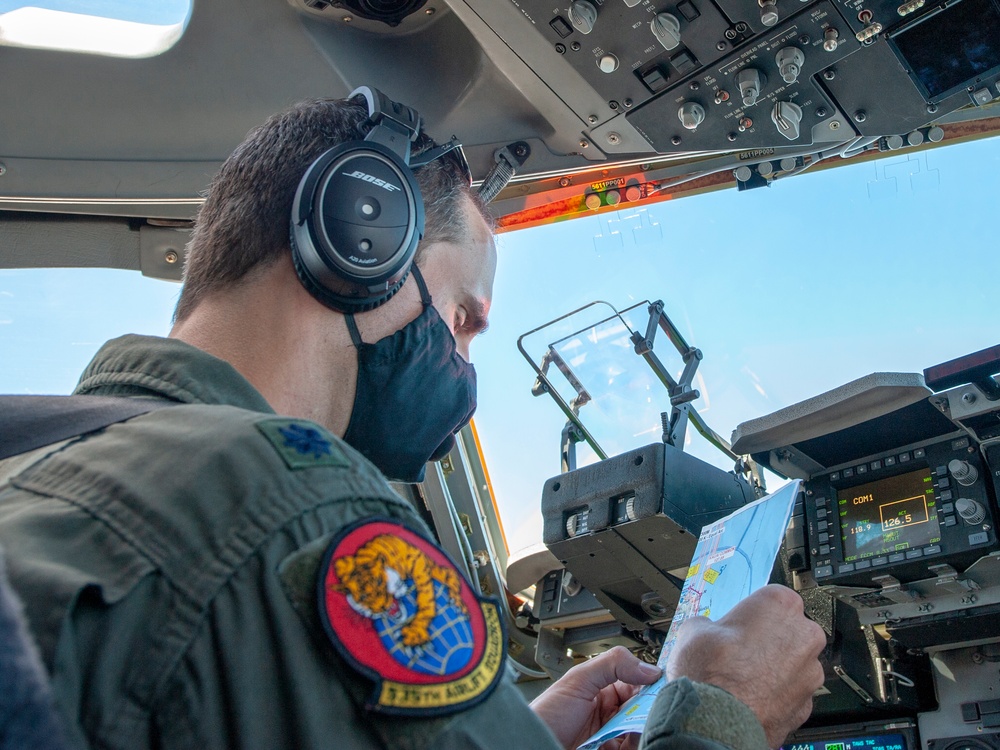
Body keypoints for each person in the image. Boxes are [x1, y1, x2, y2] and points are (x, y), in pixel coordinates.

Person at [0, 93, 825, 750]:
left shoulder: (42, 457)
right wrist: (724, 708)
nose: (463, 368)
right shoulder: (293, 507)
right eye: (464, 320)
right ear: (361, 242)